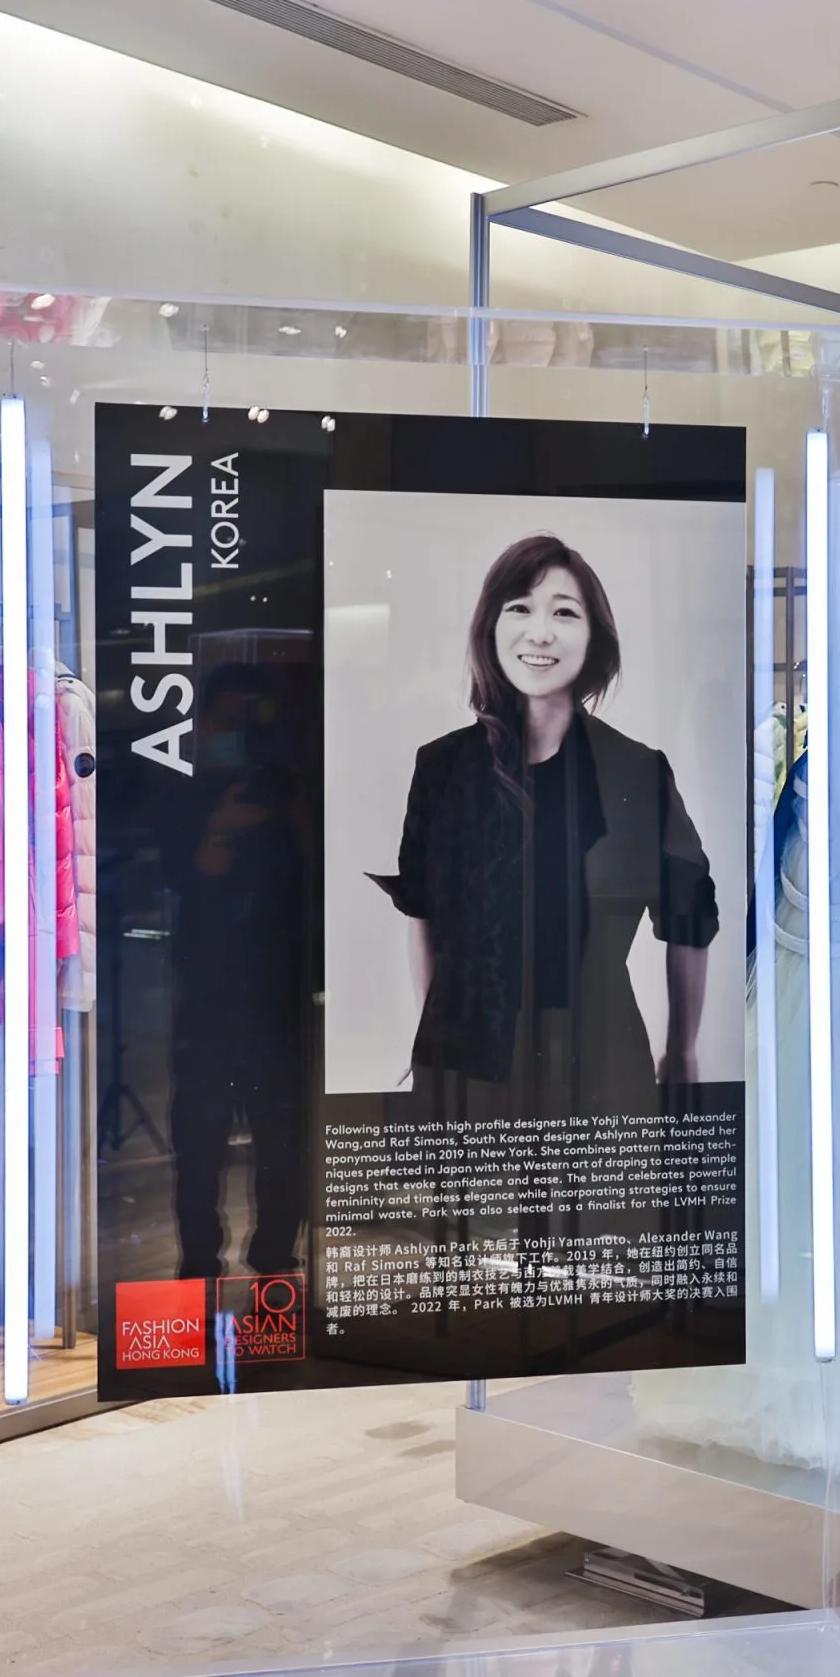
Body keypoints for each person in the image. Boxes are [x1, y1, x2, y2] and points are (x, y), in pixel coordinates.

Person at [380, 534, 717, 1122]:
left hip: (600, 1060)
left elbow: (689, 915)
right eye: (519, 608)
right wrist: (429, 1038)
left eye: (564, 612)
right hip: (466, 1062)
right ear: (491, 627)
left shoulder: (637, 770)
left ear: (595, 637)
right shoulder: (441, 766)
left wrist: (682, 1049)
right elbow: (423, 915)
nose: (540, 632)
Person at [166, 662, 311, 1280]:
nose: (235, 738)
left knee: (282, 1138)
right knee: (199, 1139)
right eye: (225, 723)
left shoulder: (289, 787)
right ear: (202, 724)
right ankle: (198, 1259)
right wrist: (221, 830)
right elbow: (185, 881)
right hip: (208, 989)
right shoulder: (183, 791)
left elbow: (312, 872)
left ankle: (276, 1257)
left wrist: (292, 804)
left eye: (247, 725)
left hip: (278, 988)